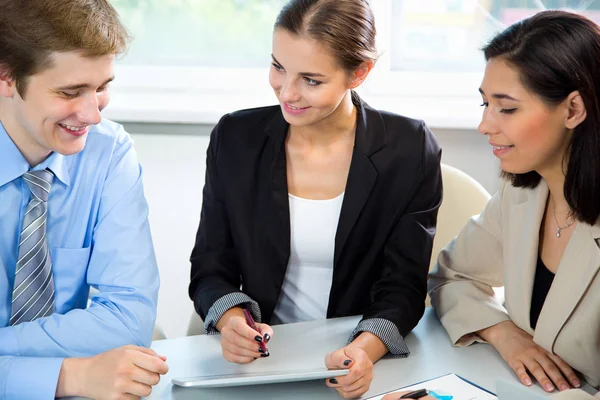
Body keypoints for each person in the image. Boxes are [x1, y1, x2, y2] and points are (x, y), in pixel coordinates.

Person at [188, 0, 442, 397]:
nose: (287, 92)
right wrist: (232, 319)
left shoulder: (408, 147)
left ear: (359, 73)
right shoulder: (235, 137)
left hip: (359, 358)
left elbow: (403, 286)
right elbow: (210, 262)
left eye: (311, 79)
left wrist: (362, 351)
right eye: (278, 67)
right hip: (264, 363)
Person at [0, 1, 168, 399]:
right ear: (6, 77)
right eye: (70, 91)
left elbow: (128, 319)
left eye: (102, 87)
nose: (92, 115)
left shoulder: (108, 152)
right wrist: (66, 377)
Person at [428, 10, 600, 398]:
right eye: (485, 104)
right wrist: (503, 332)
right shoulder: (522, 193)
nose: (486, 125)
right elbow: (454, 277)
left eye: (507, 108)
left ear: (573, 109)